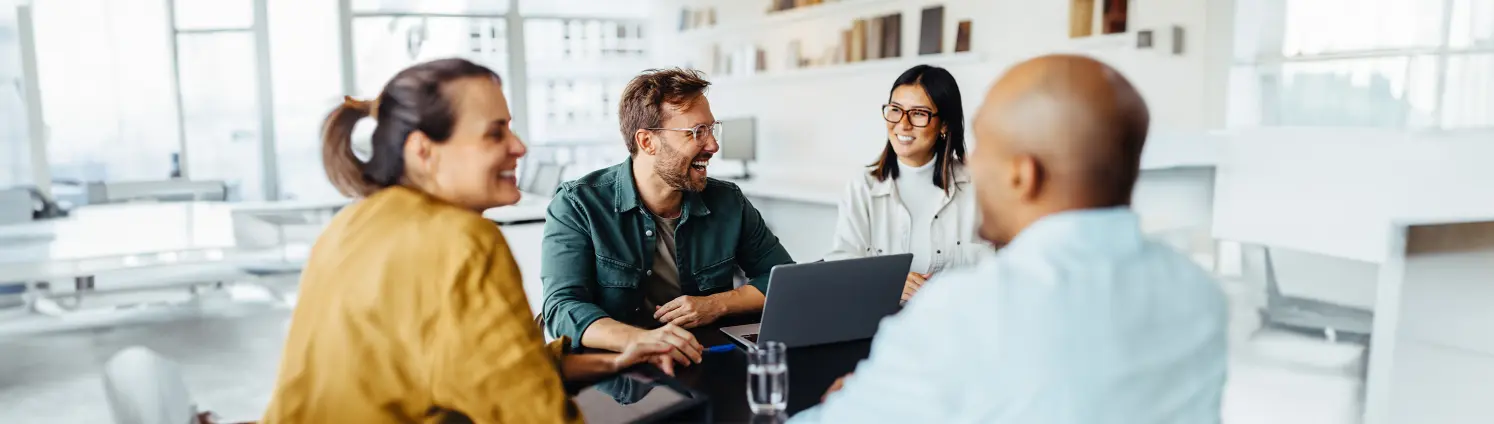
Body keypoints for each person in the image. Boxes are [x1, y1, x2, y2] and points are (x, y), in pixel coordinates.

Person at [792, 55, 1229, 423]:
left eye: (984, 147)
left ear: (1023, 175)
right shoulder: (1201, 296)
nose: (972, 166)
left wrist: (848, 400)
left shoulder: (961, 313)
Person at [261, 58, 675, 424]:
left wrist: (608, 361)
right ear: (423, 150)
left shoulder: (350, 223)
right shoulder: (461, 239)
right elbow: (531, 412)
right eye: (495, 134)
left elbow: (464, 367)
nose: (519, 147)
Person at [541, 68, 795, 364]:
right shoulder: (578, 204)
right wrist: (644, 340)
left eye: (712, 129)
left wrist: (716, 304)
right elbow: (562, 307)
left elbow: (783, 280)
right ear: (647, 142)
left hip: (706, 364)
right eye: (697, 132)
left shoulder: (728, 201)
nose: (713, 145)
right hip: (616, 376)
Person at [823, 65, 987, 302]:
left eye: (919, 113)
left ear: (944, 125)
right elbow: (840, 267)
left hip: (959, 324)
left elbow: (1005, 266)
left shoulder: (978, 184)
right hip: (881, 323)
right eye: (895, 110)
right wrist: (888, 281)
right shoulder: (863, 186)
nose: (903, 124)